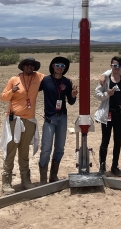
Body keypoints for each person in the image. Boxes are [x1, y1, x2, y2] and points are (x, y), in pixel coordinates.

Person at [0, 56, 44, 194]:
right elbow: (2, 97)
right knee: (11, 150)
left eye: (32, 65)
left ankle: (26, 180)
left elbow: (54, 77)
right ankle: (6, 182)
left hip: (30, 120)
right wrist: (11, 91)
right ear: (23, 66)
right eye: (27, 65)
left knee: (24, 152)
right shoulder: (14, 80)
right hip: (15, 120)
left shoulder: (38, 77)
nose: (29, 67)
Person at [38, 56, 78, 185]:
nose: (59, 68)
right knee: (46, 148)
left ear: (65, 68)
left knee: (60, 148)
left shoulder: (67, 82)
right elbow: (33, 87)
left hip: (62, 118)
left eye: (62, 66)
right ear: (53, 66)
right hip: (50, 118)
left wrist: (73, 95)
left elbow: (70, 102)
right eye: (57, 65)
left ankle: (53, 176)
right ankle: (43, 180)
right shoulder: (45, 81)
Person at [94, 56, 121, 177]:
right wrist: (107, 94)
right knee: (105, 140)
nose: (117, 68)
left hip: (119, 113)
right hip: (107, 114)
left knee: (118, 141)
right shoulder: (105, 80)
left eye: (119, 66)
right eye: (114, 65)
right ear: (111, 66)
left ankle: (115, 166)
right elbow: (97, 94)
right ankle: (102, 166)